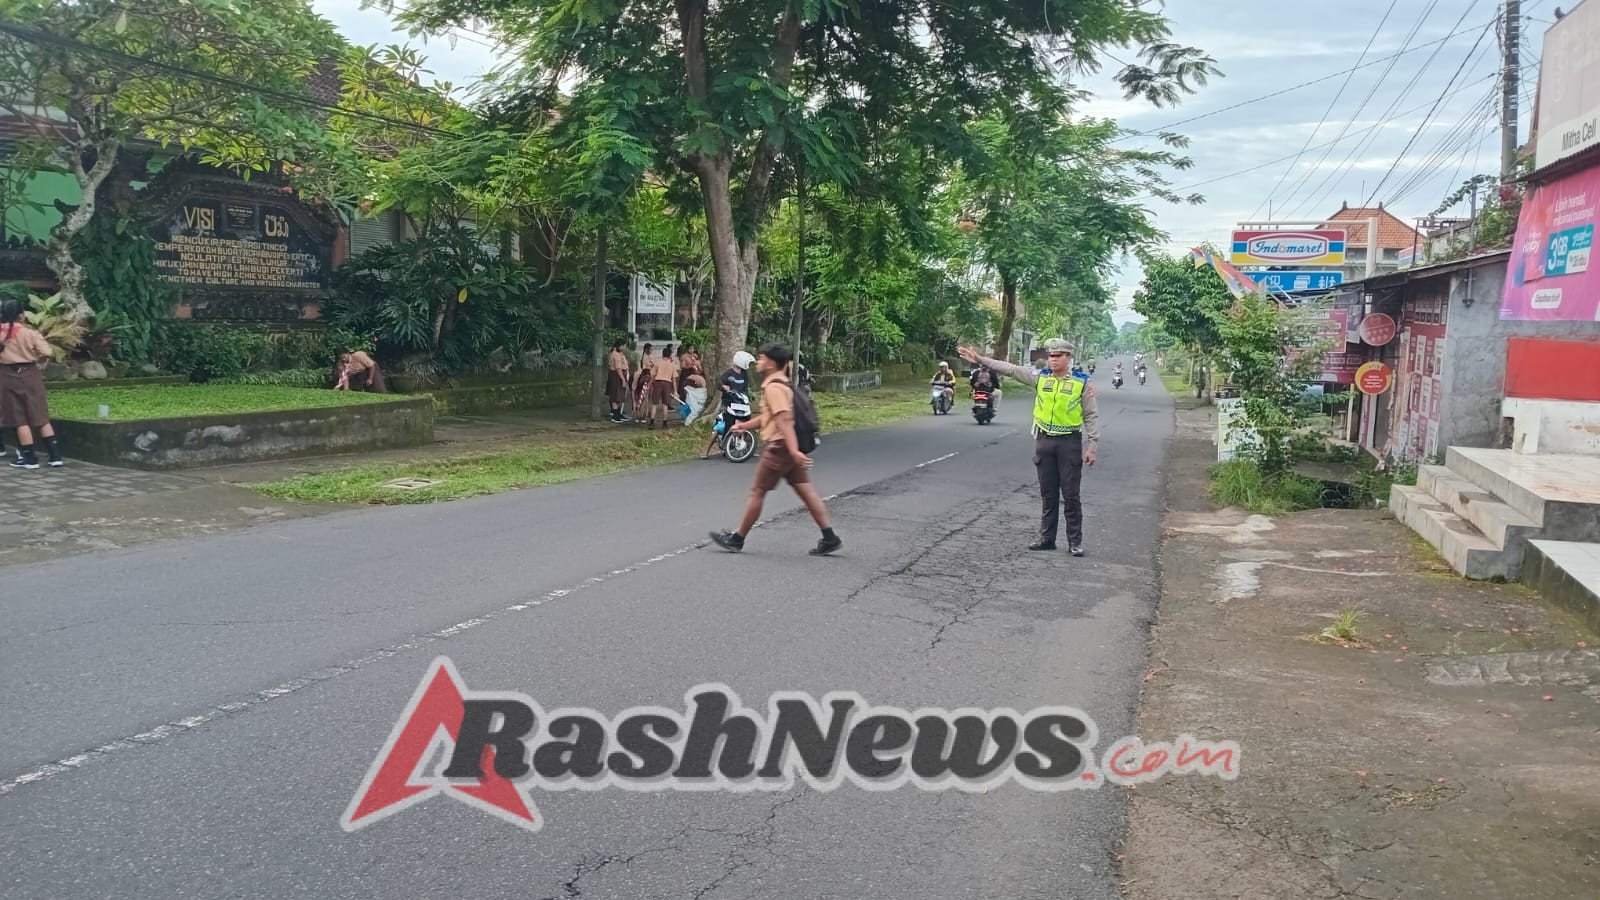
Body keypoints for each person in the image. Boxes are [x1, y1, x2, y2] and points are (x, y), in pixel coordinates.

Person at [957, 338, 1100, 556]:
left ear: (1068, 357)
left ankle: (1075, 542)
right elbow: (1011, 369)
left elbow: (1090, 415)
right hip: (1044, 441)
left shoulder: (1082, 382)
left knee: (1071, 495)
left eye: (1058, 356)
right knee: (1048, 493)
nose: (1053, 360)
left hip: (1068, 442)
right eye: (1050, 356)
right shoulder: (1041, 378)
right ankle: (1047, 538)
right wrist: (979, 359)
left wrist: (1092, 445)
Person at [710, 343, 840, 556]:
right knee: (806, 491)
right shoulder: (783, 383)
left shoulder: (773, 387)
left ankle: (737, 539)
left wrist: (793, 451)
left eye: (761, 358)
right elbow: (770, 416)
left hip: (780, 448)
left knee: (758, 492)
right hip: (789, 448)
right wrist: (744, 425)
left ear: (771, 363)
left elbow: (784, 420)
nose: (758, 362)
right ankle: (829, 537)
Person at [0, 299, 63, 468]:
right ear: (21, 315)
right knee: (40, 415)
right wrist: (39, 361)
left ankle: (29, 458)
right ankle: (54, 456)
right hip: (31, 374)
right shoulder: (30, 333)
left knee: (19, 418)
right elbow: (47, 352)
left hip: (6, 376)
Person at [703, 350, 755, 459]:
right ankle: (706, 450)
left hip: (740, 403)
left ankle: (746, 445)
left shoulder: (744, 374)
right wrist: (724, 387)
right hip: (728, 403)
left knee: (747, 421)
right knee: (724, 425)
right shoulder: (728, 373)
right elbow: (719, 382)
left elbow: (745, 389)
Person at [648, 344, 679, 430]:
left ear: (662, 354)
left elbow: (652, 375)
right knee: (665, 404)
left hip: (658, 383)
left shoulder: (658, 362)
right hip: (667, 384)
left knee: (654, 403)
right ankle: (664, 423)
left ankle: (651, 422)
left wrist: (649, 384)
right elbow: (674, 379)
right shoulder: (672, 365)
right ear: (670, 355)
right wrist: (675, 391)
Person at [606, 340, 632, 422]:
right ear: (620, 346)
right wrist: (623, 380)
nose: (625, 347)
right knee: (615, 395)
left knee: (618, 395)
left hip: (618, 375)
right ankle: (615, 416)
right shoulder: (616, 355)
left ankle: (618, 413)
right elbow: (618, 368)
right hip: (616, 376)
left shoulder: (619, 354)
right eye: (624, 345)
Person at [634, 343, 656, 414]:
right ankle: (643, 411)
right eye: (650, 349)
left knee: (649, 395)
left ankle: (648, 410)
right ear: (646, 349)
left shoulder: (650, 357)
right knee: (645, 394)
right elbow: (644, 368)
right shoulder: (644, 357)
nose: (651, 351)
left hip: (649, 374)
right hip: (646, 375)